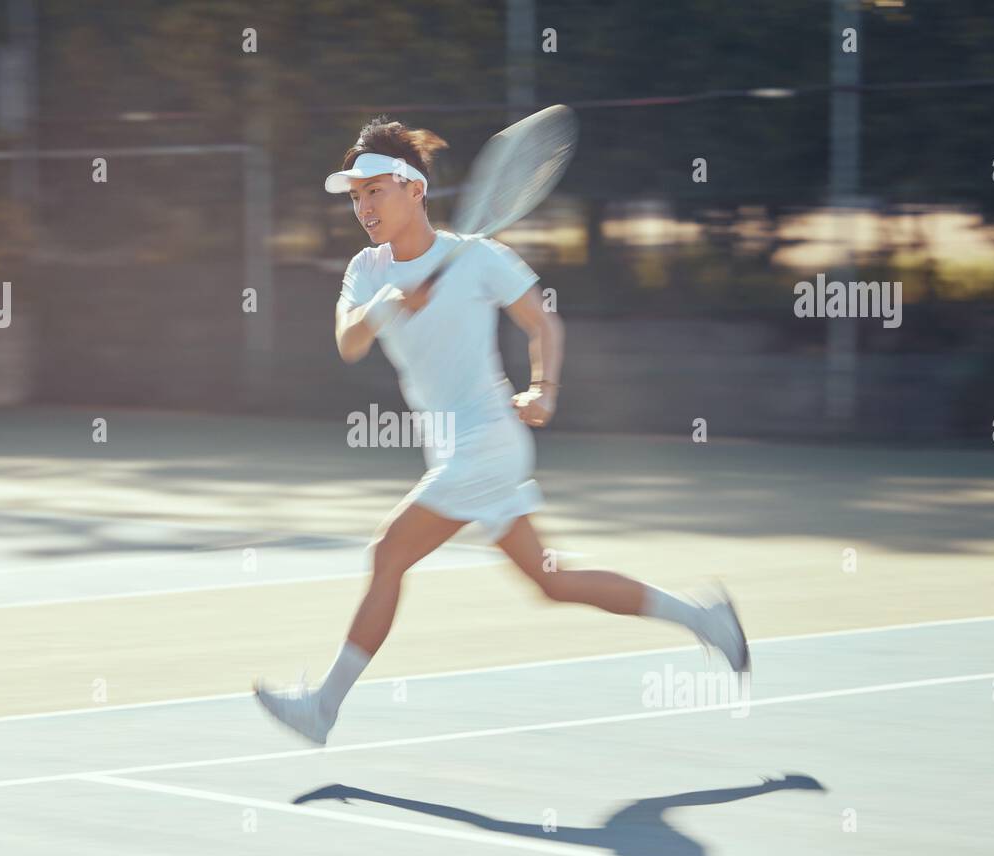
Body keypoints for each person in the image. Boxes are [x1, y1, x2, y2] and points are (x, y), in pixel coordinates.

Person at [254, 117, 748, 745]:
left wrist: (544, 389)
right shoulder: (367, 270)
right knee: (551, 581)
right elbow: (348, 341)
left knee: (387, 555)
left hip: (488, 438)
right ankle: (705, 619)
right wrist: (388, 303)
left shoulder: (480, 257)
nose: (364, 206)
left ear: (413, 190)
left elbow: (543, 324)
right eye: (355, 196)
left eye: (375, 190)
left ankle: (322, 707)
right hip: (455, 448)